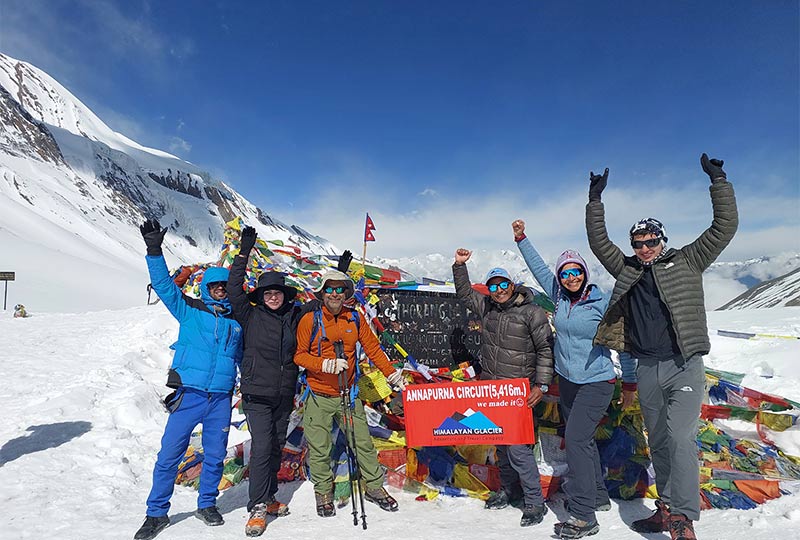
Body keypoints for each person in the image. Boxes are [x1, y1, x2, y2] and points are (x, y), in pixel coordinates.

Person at [585, 154, 738, 540]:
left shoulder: (688, 260)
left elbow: (725, 225)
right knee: (660, 441)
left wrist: (718, 180)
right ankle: (667, 506)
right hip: (647, 367)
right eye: (638, 243)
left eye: (650, 241)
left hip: (683, 364)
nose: (644, 248)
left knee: (682, 437)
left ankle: (683, 517)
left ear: (662, 239)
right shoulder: (628, 269)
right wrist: (595, 200)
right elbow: (598, 242)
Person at [512, 219, 636, 538]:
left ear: (585, 273)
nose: (571, 277)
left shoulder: (600, 303)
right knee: (584, 439)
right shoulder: (559, 296)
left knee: (577, 441)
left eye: (576, 271)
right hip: (568, 381)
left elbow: (622, 344)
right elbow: (538, 267)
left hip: (597, 382)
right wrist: (522, 238)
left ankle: (583, 515)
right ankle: (596, 493)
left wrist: (631, 384)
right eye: (565, 273)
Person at [134, 219, 243, 540]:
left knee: (215, 453)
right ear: (206, 287)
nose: (220, 290)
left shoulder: (237, 323)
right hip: (189, 395)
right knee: (170, 453)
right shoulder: (190, 310)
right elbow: (165, 287)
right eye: (215, 286)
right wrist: (154, 250)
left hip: (220, 399)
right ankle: (156, 512)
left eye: (224, 286)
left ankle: (206, 503)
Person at [228, 227, 339, 537]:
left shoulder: (294, 317)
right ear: (261, 296)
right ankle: (258, 507)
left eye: (277, 292)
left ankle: (270, 496)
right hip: (257, 395)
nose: (273, 296)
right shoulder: (249, 316)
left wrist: (338, 275)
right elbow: (235, 288)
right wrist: (243, 252)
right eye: (268, 293)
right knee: (262, 448)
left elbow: (321, 303)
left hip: (284, 393)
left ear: (284, 295)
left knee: (275, 446)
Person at [452, 249, 554, 528]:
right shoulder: (486, 307)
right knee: (501, 448)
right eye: (493, 286)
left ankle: (534, 501)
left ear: (512, 285)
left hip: (519, 393)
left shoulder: (531, 312)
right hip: (493, 391)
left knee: (520, 449)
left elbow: (546, 349)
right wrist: (460, 266)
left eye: (503, 284)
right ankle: (509, 490)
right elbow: (463, 294)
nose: (498, 290)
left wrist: (542, 385)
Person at [294, 269, 406, 518]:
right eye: (330, 289)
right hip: (318, 395)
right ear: (323, 293)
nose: (335, 294)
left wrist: (391, 374)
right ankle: (323, 491)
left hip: (349, 394)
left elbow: (374, 350)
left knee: (363, 444)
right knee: (320, 447)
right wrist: (324, 364)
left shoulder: (355, 319)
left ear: (346, 293)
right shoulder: (309, 320)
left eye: (339, 289)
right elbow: (299, 355)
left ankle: (374, 488)